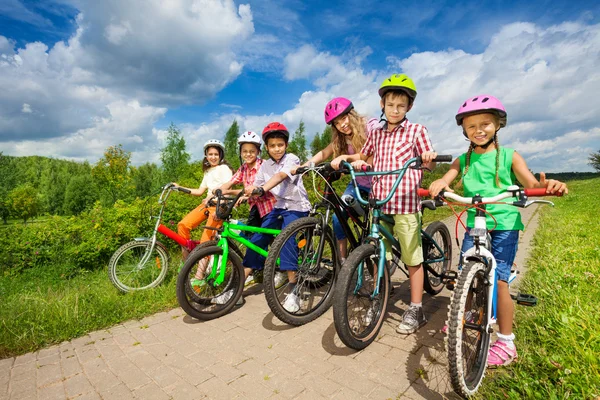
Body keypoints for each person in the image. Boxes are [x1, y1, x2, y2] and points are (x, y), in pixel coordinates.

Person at [428, 94, 567, 366]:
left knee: (500, 279)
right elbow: (447, 178)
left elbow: (529, 182)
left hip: (503, 223)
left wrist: (547, 184)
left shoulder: (509, 156)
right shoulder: (462, 160)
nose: (478, 130)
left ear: (498, 125)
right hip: (474, 222)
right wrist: (439, 184)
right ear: (464, 130)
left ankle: (505, 342)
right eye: (471, 126)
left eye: (485, 124)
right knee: (467, 273)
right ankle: (465, 315)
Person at [343, 74, 438, 334]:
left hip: (406, 202)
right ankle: (379, 297)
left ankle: (416, 308)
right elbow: (365, 156)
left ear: (409, 107)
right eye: (390, 104)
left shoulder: (417, 131)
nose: (395, 110)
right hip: (380, 201)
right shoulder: (376, 132)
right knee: (378, 253)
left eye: (401, 105)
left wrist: (427, 158)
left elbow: (429, 162)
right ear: (382, 105)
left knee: (412, 257)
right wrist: (359, 161)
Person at [244, 122, 311, 312]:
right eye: (272, 145)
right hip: (279, 207)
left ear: (286, 145)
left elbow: (281, 176)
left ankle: (294, 287)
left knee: (286, 237)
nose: (276, 149)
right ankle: (239, 285)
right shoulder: (265, 165)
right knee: (257, 238)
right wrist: (245, 195)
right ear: (266, 147)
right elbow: (256, 185)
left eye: (280, 145)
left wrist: (262, 189)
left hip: (297, 207)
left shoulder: (292, 158)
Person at [294, 97, 371, 261]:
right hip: (358, 183)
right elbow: (324, 153)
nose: (342, 124)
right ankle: (342, 261)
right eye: (337, 123)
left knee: (377, 221)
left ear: (352, 114)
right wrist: (304, 166)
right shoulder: (342, 138)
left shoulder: (370, 127)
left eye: (344, 117)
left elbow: (378, 151)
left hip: (380, 183)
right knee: (338, 216)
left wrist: (348, 157)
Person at [217, 131, 278, 287]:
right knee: (252, 240)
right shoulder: (243, 168)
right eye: (245, 151)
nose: (248, 154)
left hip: (270, 207)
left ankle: (280, 270)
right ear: (241, 152)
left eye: (252, 151)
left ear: (258, 151)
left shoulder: (263, 166)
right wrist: (220, 191)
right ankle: (258, 269)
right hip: (256, 208)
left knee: (272, 241)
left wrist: (245, 195)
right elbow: (231, 183)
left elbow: (261, 188)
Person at [174, 139, 232, 262]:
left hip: (218, 206)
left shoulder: (224, 168)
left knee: (205, 241)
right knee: (183, 225)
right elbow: (200, 191)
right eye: (210, 154)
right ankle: (187, 262)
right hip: (206, 204)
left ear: (221, 155)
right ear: (206, 155)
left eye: (216, 154)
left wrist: (220, 208)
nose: (213, 157)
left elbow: (228, 189)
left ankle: (200, 275)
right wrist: (180, 188)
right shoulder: (207, 171)